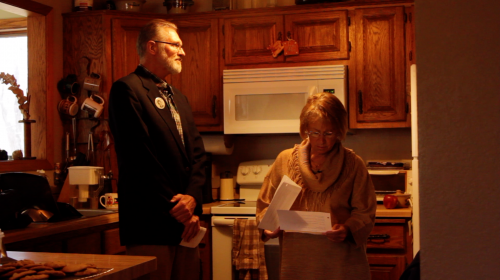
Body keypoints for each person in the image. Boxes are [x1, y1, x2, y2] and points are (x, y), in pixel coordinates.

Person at [108, 19, 207, 280]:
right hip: (150, 224)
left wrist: (193, 200)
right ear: (152, 47)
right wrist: (180, 209)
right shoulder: (127, 89)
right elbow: (140, 158)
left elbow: (198, 155)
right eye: (175, 45)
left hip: (186, 227)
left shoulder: (180, 98)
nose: (182, 52)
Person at [256, 92, 377, 280]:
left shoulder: (354, 165)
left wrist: (347, 229)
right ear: (305, 130)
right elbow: (264, 207)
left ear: (339, 131)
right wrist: (267, 228)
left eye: (328, 133)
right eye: (315, 132)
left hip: (341, 264)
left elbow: (365, 213)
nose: (321, 140)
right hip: (297, 263)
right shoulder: (284, 161)